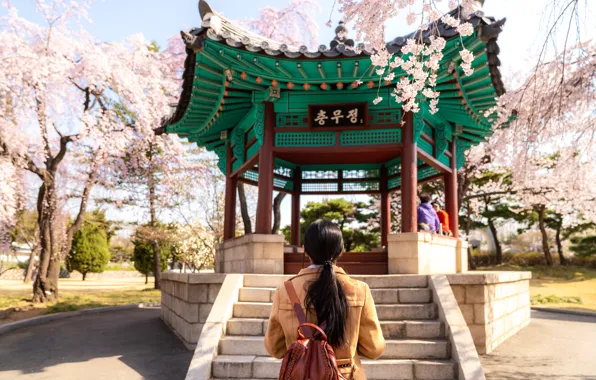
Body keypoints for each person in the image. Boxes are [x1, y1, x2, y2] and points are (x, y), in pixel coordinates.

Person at [264, 219, 385, 380]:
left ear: (305, 250)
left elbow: (275, 349)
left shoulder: (285, 291)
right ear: (340, 250)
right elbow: (374, 349)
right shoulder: (359, 290)